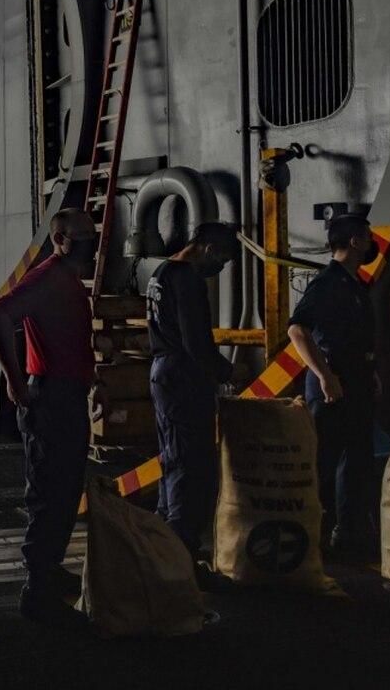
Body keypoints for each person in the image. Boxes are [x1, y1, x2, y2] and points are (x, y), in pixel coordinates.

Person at [0, 208, 104, 627]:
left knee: (66, 490)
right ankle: (37, 592)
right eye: (79, 235)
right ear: (58, 239)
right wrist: (14, 382)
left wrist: (92, 380)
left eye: (90, 233)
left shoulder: (69, 281)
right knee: (49, 494)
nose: (88, 241)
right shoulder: (49, 278)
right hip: (50, 398)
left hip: (67, 396)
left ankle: (49, 570)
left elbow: (72, 341)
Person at [287, 214, 380, 560]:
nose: (371, 243)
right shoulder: (328, 283)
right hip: (333, 386)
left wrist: (370, 371)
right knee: (322, 464)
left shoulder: (355, 285)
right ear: (354, 242)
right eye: (367, 237)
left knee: (355, 461)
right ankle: (304, 537)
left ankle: (348, 536)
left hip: (356, 383)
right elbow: (298, 330)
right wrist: (325, 376)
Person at [146, 221, 237, 571]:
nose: (221, 267)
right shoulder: (187, 280)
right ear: (209, 249)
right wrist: (227, 372)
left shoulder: (161, 272)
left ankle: (164, 547)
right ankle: (182, 557)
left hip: (164, 373)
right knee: (191, 467)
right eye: (222, 259)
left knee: (172, 460)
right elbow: (196, 342)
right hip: (183, 376)